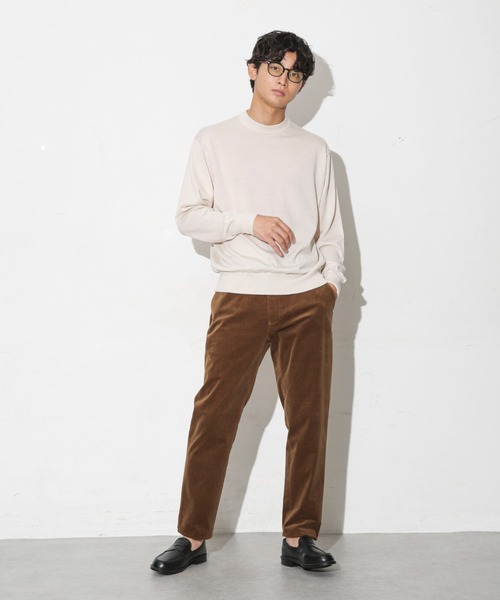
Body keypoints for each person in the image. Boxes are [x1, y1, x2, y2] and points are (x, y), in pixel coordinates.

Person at [151, 30, 346, 575]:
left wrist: (330, 286)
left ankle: (299, 537)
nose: (285, 81)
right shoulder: (214, 140)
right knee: (214, 416)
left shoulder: (314, 150)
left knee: (308, 421)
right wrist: (248, 222)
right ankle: (192, 536)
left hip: (305, 299)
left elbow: (331, 230)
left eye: (296, 74)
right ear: (253, 70)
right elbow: (189, 216)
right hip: (238, 295)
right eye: (276, 68)